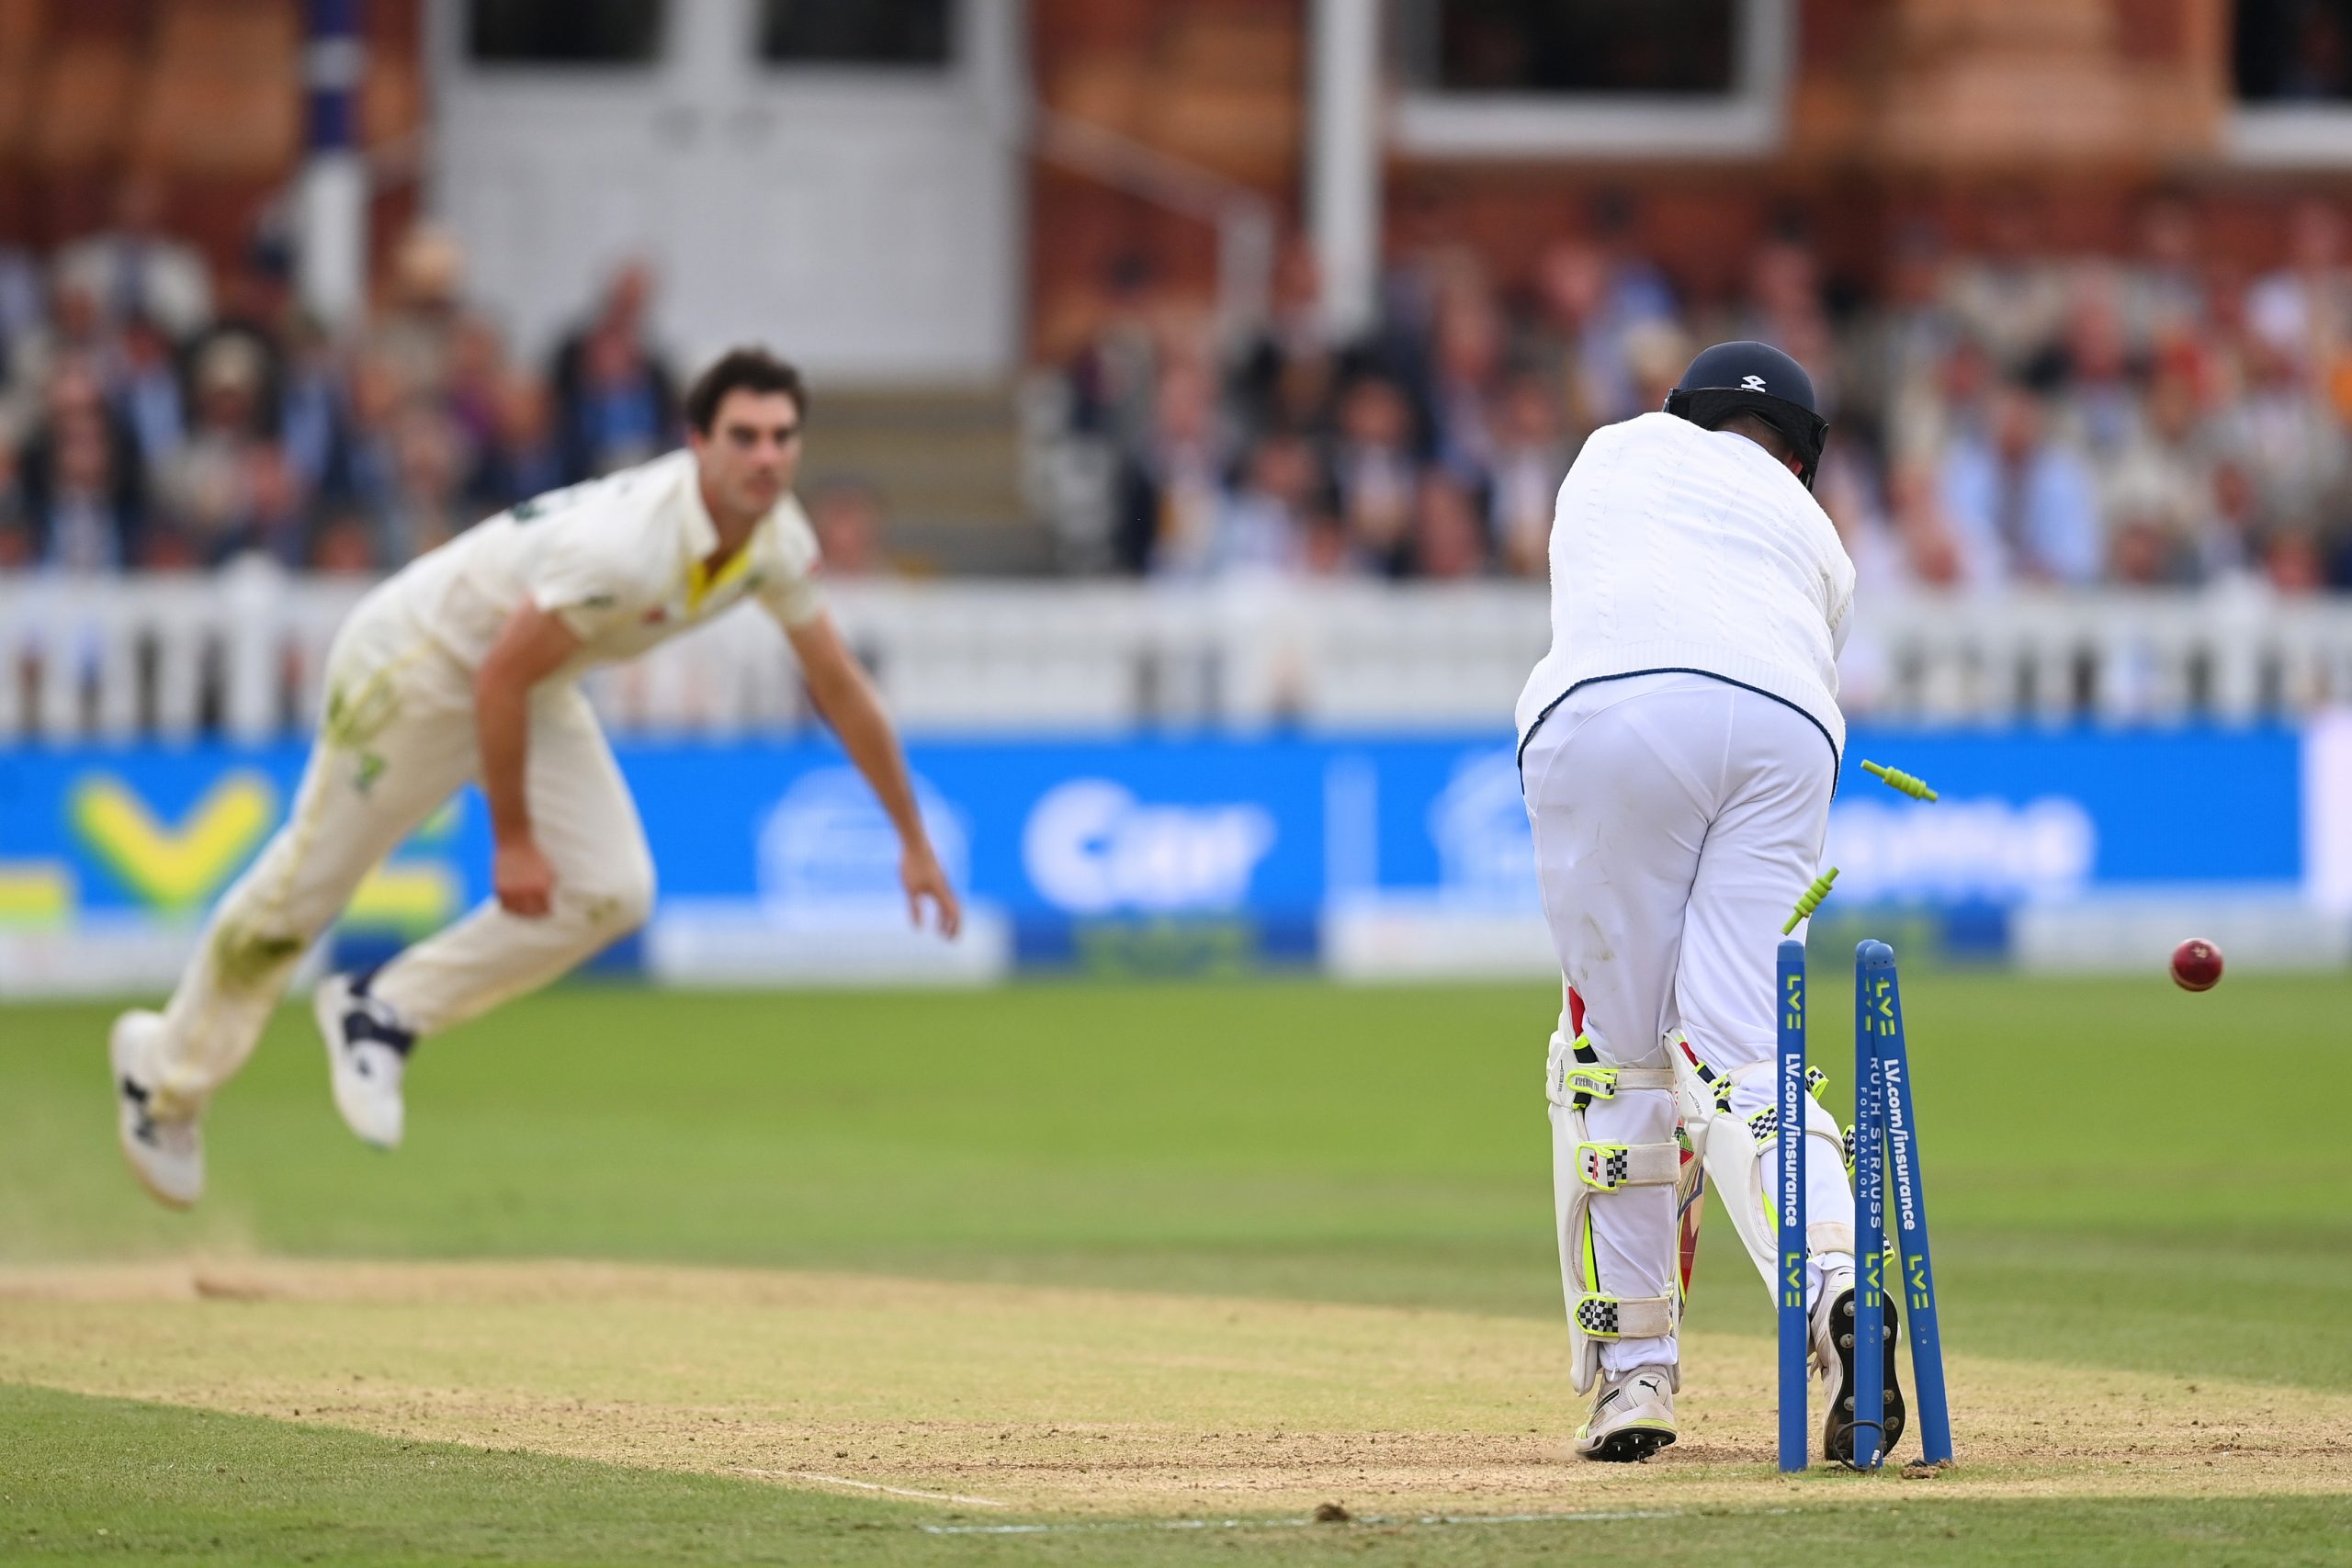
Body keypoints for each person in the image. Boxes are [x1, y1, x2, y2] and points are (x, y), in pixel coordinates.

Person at [108, 348, 963, 1209]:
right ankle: (163, 1080)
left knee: (611, 891)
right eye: (745, 437)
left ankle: (383, 1008)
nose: (768, 457)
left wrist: (915, 841)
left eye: (783, 438)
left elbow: (842, 688)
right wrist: (513, 840)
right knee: (305, 894)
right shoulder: (630, 548)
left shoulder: (777, 540)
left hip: (526, 681)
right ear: (698, 442)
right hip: (415, 669)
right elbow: (496, 678)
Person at [1515, 342, 1896, 1463]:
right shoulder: (1817, 538)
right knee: (1744, 1050)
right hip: (1786, 727)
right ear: (1800, 458)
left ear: (1686, 414)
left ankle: (1634, 1377)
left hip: (1612, 709)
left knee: (1616, 1056)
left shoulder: (1615, 452)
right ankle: (1832, 1289)